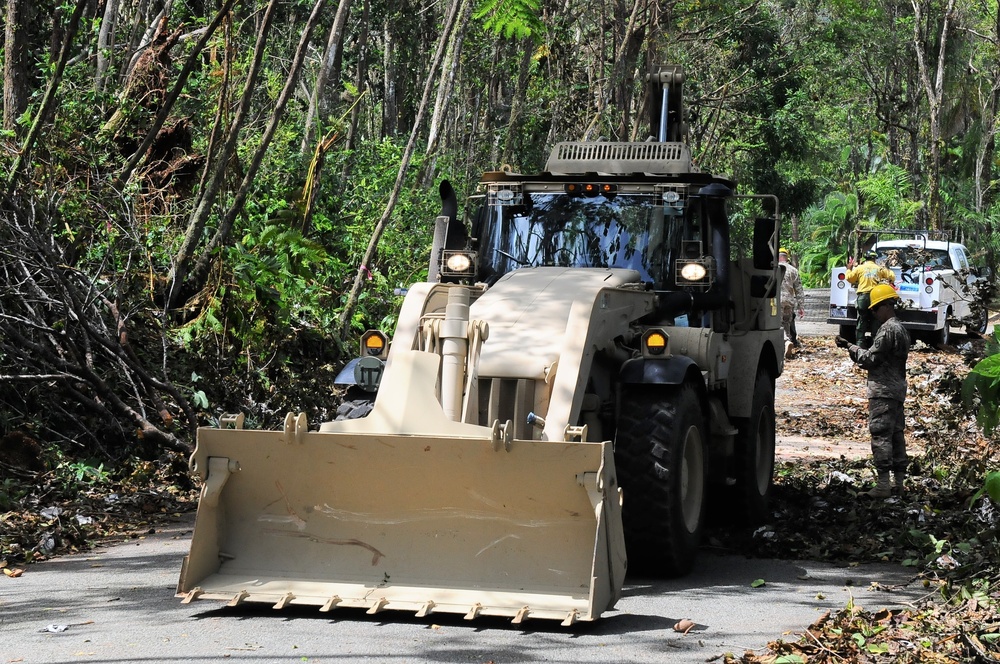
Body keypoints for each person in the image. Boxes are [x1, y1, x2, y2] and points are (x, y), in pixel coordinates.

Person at [834, 283, 910, 498]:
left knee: (881, 435)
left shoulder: (887, 330)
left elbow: (870, 360)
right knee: (896, 435)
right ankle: (900, 484)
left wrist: (850, 347)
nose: (874, 314)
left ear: (885, 306)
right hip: (897, 390)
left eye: (875, 309)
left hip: (883, 391)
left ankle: (884, 486)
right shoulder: (902, 329)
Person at [845, 250, 896, 349]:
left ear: (865, 258)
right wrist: (887, 270)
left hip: (863, 298)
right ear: (874, 258)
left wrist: (848, 269)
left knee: (861, 322)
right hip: (875, 298)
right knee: (876, 320)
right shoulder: (879, 268)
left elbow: (850, 278)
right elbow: (892, 277)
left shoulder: (859, 268)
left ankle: (860, 346)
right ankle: (875, 346)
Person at [779, 248, 805, 359]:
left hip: (776, 301)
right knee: (787, 323)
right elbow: (799, 289)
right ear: (787, 257)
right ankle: (789, 342)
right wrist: (801, 306)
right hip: (789, 301)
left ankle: (785, 342)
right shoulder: (793, 270)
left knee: (777, 324)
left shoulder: (774, 268)